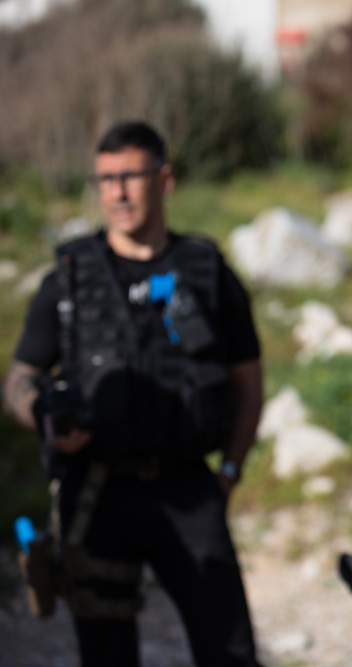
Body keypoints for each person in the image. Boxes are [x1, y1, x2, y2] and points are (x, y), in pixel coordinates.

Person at [2, 121, 264, 666]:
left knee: (230, 649)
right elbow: (18, 380)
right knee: (107, 656)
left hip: (190, 489)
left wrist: (231, 472)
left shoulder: (207, 270)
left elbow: (248, 381)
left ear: (164, 179)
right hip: (97, 494)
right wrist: (45, 418)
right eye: (105, 179)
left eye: (130, 176)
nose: (117, 192)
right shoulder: (69, 278)